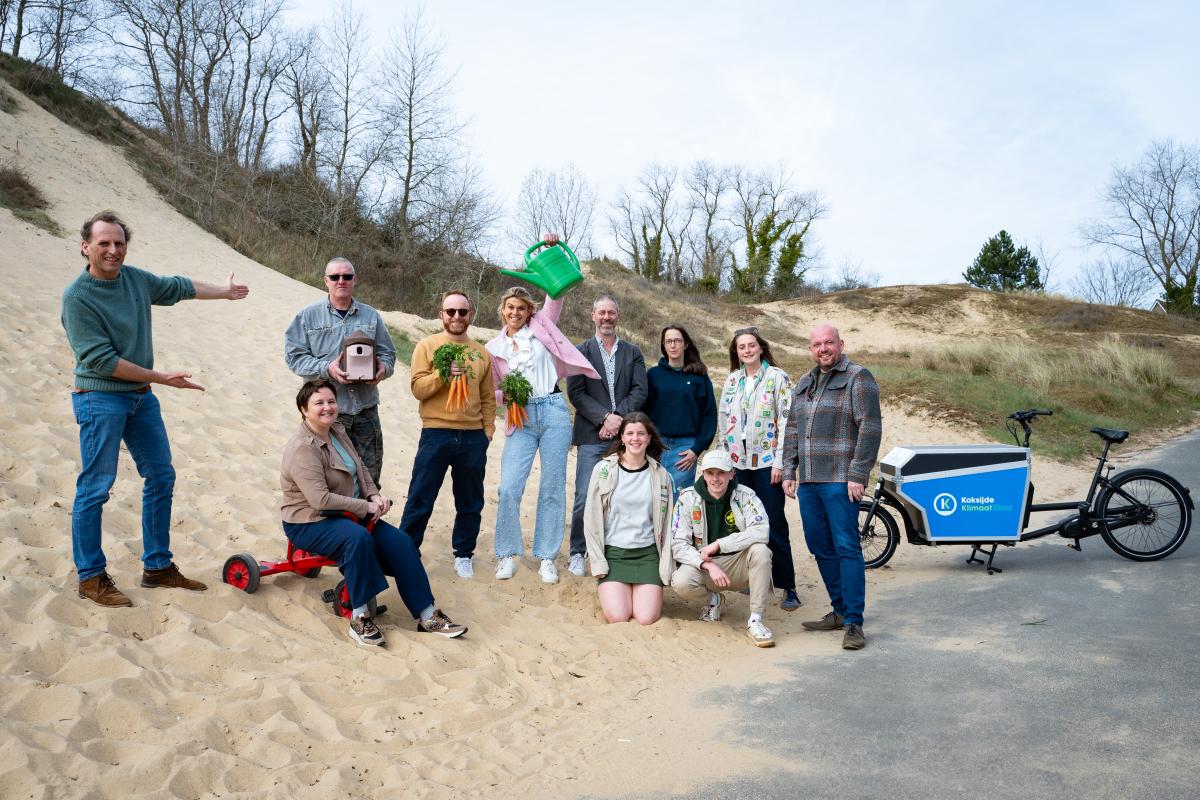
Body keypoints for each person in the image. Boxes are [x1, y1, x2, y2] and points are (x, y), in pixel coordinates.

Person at [61, 211, 250, 607]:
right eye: (104, 243)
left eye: (119, 243)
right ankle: (91, 577)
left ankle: (158, 567)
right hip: (100, 397)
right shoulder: (77, 297)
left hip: (140, 398)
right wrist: (161, 377)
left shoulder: (133, 279)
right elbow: (102, 361)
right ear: (86, 247)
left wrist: (225, 291)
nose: (113, 250)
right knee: (96, 487)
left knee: (161, 476)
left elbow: (177, 287)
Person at [282, 379, 467, 647]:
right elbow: (319, 499)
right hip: (310, 520)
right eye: (318, 403)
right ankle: (360, 618)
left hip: (347, 513)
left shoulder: (337, 430)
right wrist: (365, 507)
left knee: (401, 542)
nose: (327, 407)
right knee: (357, 539)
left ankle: (428, 616)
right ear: (303, 409)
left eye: (331, 401)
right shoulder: (303, 447)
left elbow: (360, 467)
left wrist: (373, 495)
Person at [485, 235, 600, 584]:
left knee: (552, 486)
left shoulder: (544, 326)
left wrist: (551, 247)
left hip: (552, 409)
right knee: (509, 487)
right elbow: (494, 390)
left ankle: (547, 556)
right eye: (510, 308)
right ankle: (507, 553)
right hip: (519, 416)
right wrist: (509, 398)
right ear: (502, 310)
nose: (516, 313)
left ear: (530, 311)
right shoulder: (493, 347)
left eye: (522, 308)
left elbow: (557, 291)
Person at [782, 324, 882, 651]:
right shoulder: (806, 381)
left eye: (828, 343)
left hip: (841, 478)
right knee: (817, 543)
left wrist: (858, 473)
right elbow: (793, 428)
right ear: (810, 349)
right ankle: (839, 610)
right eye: (816, 344)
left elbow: (870, 427)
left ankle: (854, 621)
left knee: (846, 546)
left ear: (840, 344)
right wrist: (789, 469)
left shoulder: (858, 377)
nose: (823, 348)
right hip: (809, 479)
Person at [399, 290, 494, 577]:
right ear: (441, 314)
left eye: (462, 312)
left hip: (472, 437)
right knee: (420, 497)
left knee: (470, 501)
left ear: (470, 315)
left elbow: (488, 397)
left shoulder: (481, 352)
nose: (456, 317)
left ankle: (463, 553)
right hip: (436, 433)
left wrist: (487, 431)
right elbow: (418, 389)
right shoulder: (427, 346)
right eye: (450, 311)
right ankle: (406, 551)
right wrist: (443, 374)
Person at [284, 257, 396, 485]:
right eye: (335, 277)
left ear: (355, 280)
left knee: (370, 478)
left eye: (347, 276)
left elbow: (388, 354)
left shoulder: (371, 315)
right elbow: (294, 358)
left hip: (366, 411)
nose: (341, 281)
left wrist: (382, 369)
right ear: (326, 280)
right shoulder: (307, 316)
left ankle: (366, 521)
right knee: (333, 481)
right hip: (327, 414)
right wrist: (327, 368)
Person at [717, 327, 800, 611]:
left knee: (774, 522)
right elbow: (723, 420)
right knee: (743, 522)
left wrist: (780, 462)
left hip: (767, 464)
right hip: (738, 464)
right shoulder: (731, 381)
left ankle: (788, 586)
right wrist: (724, 461)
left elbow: (788, 422)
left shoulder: (778, 378)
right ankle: (754, 579)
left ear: (761, 348)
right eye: (742, 347)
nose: (747, 350)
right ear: (736, 352)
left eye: (751, 345)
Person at [567, 295, 648, 577]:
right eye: (601, 312)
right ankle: (578, 551)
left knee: (620, 498)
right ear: (593, 316)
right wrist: (604, 418)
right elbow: (575, 393)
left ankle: (611, 550)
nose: (606, 317)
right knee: (583, 496)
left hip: (625, 437)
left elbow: (640, 390)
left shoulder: (633, 352)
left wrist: (616, 420)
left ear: (618, 316)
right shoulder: (580, 351)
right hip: (591, 434)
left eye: (611, 312)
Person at [670, 449, 776, 647]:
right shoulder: (687, 498)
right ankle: (713, 601)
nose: (715, 479)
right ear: (703, 474)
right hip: (708, 567)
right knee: (681, 581)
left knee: (761, 551)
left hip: (739, 564)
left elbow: (762, 530)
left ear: (731, 473)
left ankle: (755, 620)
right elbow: (678, 544)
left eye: (721, 473)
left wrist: (719, 544)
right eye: (710, 473)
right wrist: (705, 564)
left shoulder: (746, 495)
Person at [582, 413, 674, 624]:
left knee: (646, 617)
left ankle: (644, 589)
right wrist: (598, 562)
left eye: (641, 433)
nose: (635, 438)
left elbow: (668, 524)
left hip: (648, 555)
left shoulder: (661, 475)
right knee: (618, 616)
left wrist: (666, 565)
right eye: (630, 433)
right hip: (614, 554)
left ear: (649, 437)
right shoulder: (604, 469)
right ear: (621, 437)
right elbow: (592, 519)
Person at [644, 324, 716, 498]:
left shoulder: (699, 376)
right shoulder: (653, 375)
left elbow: (709, 414)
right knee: (652, 499)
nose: (673, 345)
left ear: (686, 344)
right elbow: (642, 411)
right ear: (663, 345)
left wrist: (697, 449)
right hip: (656, 445)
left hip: (685, 449)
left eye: (677, 340)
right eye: (668, 341)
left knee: (679, 500)